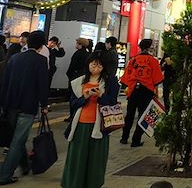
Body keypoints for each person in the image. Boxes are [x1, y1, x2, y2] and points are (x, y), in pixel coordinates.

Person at [61, 52, 120, 188]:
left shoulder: (110, 82)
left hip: (100, 127)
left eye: (99, 65)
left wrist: (101, 95)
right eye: (93, 64)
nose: (96, 68)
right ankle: (74, 183)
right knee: (77, 158)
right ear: (88, 64)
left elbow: (112, 103)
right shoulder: (79, 81)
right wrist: (85, 97)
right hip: (80, 126)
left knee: (96, 160)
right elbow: (73, 104)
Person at [0, 30, 48, 184]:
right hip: (27, 106)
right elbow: (42, 86)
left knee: (16, 138)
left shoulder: (14, 58)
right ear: (41, 46)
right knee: (17, 142)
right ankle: (4, 176)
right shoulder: (40, 61)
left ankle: (25, 166)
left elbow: (5, 83)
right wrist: (44, 105)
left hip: (10, 105)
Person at [119, 39, 164, 147]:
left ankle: (124, 138)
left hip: (133, 89)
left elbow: (126, 77)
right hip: (146, 90)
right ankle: (136, 140)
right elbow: (157, 78)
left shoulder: (133, 60)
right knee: (142, 115)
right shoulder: (153, 61)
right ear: (150, 48)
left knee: (129, 114)